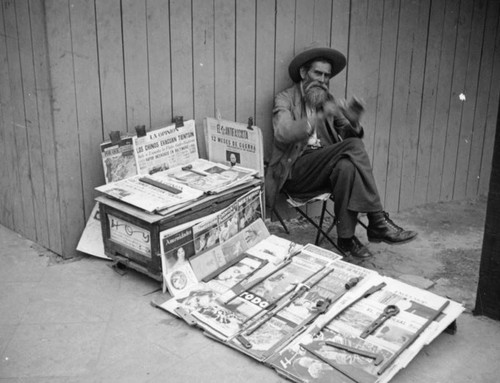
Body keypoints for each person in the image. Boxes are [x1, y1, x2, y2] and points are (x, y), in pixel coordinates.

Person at [265, 45, 417, 259]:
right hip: (295, 173)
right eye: (317, 73)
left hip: (323, 170)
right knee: (352, 148)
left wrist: (353, 120)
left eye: (327, 76)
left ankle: (346, 239)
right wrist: (318, 117)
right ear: (303, 73)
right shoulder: (285, 98)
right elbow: (283, 133)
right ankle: (377, 220)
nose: (323, 80)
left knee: (346, 167)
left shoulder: (327, 100)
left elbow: (349, 135)